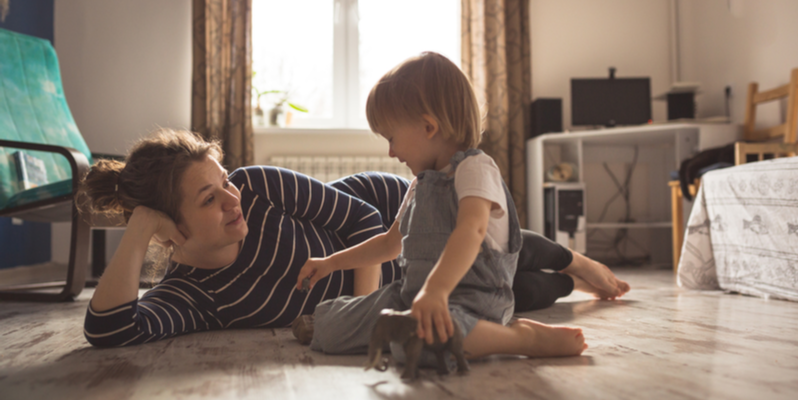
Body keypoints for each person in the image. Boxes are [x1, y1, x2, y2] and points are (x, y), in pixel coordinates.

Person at [294, 52, 629, 362]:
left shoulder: (475, 169)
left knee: (420, 342)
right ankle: (405, 326)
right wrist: (331, 262)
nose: (391, 153)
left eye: (391, 138)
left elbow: (472, 230)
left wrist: (436, 291)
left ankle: (522, 339)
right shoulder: (419, 185)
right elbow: (389, 244)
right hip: (411, 296)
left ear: (429, 127)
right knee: (330, 327)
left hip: (471, 303)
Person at [78, 128, 409, 347]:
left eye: (224, 181)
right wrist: (139, 227)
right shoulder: (191, 294)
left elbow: (365, 217)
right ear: (167, 227)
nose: (231, 200)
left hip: (396, 213)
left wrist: (359, 321)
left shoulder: (254, 187)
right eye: (209, 199)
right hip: (402, 290)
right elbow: (109, 329)